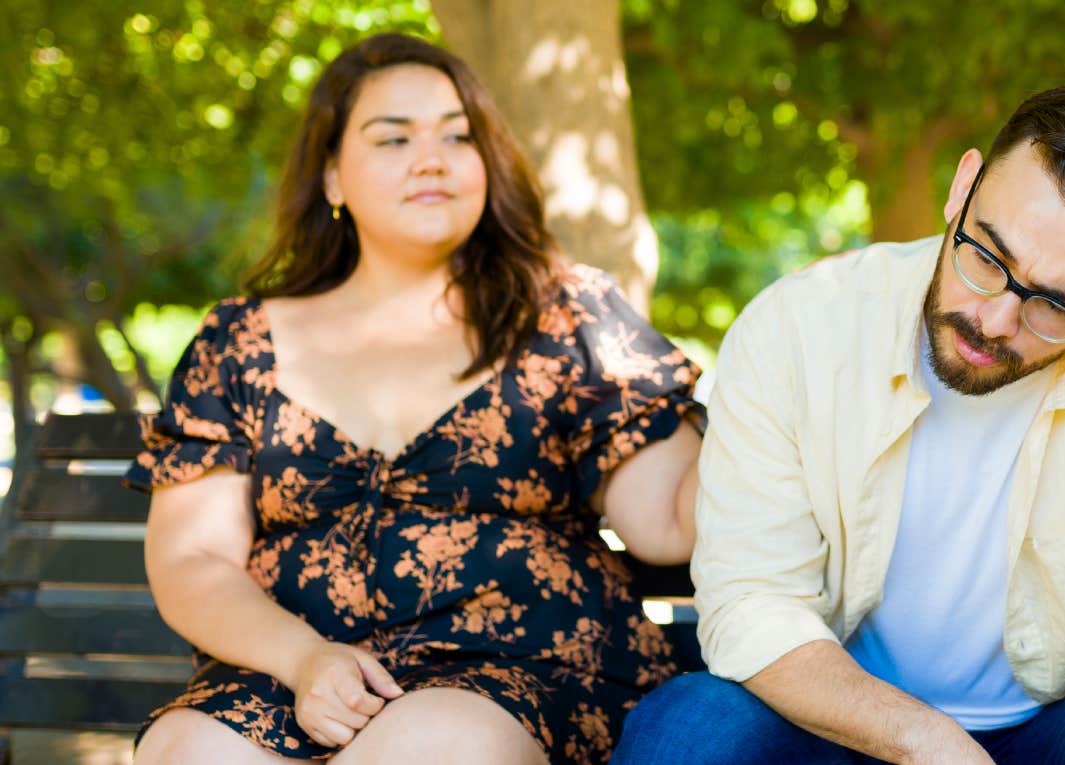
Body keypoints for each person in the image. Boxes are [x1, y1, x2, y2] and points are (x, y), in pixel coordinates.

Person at [614, 85, 1065, 764]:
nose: (993, 320)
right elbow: (751, 605)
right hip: (841, 718)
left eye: (1052, 305)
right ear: (963, 187)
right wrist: (924, 739)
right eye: (986, 257)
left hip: (1059, 729)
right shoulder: (799, 326)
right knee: (691, 731)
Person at [126, 33, 703, 765]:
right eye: (393, 138)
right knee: (190, 750)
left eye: (458, 136)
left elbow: (666, 519)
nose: (431, 157)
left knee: (430, 743)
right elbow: (194, 556)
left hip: (521, 677)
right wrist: (307, 661)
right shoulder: (239, 340)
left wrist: (783, 399)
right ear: (332, 175)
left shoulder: (565, 314)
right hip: (297, 676)